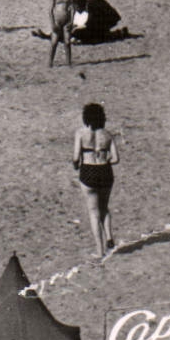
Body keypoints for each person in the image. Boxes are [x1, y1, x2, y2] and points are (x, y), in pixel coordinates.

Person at [72, 103, 120, 258]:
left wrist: (76, 166)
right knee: (104, 207)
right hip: (105, 171)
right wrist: (105, 160)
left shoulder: (80, 133)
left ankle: (100, 251)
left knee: (93, 212)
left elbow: (76, 157)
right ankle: (109, 237)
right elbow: (116, 159)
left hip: (88, 171)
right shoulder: (108, 135)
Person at [48, 0, 75, 68]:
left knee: (67, 42)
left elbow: (72, 8)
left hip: (67, 21)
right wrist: (52, 23)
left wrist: (71, 21)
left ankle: (68, 62)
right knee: (54, 42)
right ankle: (50, 62)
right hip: (57, 21)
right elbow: (50, 11)